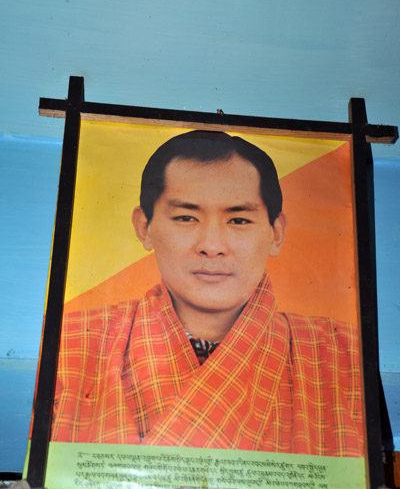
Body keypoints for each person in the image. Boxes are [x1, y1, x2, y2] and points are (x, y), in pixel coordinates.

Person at [51, 131, 364, 457]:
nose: (212, 247)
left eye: (239, 220)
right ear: (144, 226)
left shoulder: (343, 354)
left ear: (276, 233)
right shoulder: (70, 343)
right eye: (186, 217)